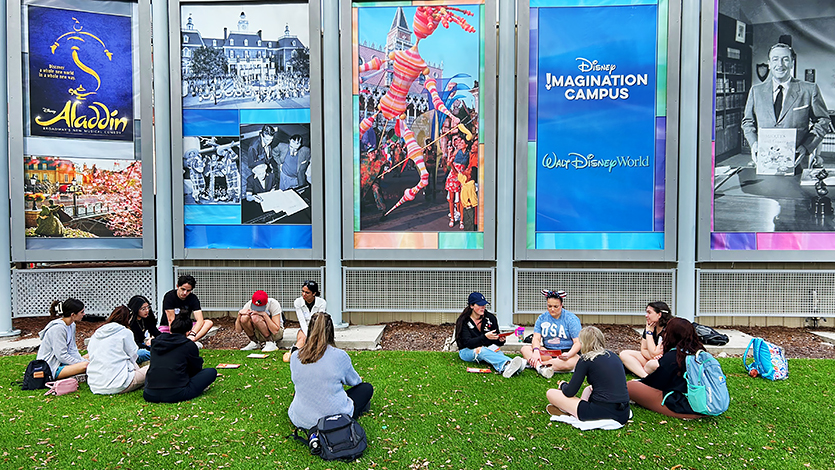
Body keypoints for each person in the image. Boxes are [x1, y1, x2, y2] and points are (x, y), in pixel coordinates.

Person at [741, 43, 830, 170]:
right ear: (769, 63)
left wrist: (806, 147)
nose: (780, 64)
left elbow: (823, 121)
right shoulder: (756, 91)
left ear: (792, 63)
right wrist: (754, 143)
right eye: (775, 59)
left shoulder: (809, 89)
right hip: (766, 161)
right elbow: (748, 122)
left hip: (798, 161)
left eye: (785, 59)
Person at [288, 312, 373, 430]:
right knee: (366, 388)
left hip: (301, 419)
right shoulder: (339, 356)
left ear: (309, 330)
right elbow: (355, 381)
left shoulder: (295, 356)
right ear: (331, 331)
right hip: (334, 419)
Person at [545, 326, 631, 424]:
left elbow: (570, 392)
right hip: (623, 413)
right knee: (588, 389)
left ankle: (573, 412)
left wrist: (563, 385)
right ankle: (574, 409)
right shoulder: (614, 356)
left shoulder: (586, 360)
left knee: (551, 393)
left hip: (600, 412)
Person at [626, 318, 706, 419]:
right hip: (707, 400)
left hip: (684, 404)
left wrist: (640, 382)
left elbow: (656, 383)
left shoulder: (674, 357)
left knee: (630, 386)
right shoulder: (701, 353)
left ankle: (691, 415)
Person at [143, 308, 218, 403]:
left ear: (171, 328)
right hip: (176, 393)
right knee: (211, 372)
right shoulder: (188, 345)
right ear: (188, 332)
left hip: (149, 394)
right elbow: (196, 368)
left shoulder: (156, 342)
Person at [454, 292, 526, 378]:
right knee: (482, 350)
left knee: (497, 352)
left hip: (488, 348)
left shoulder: (490, 318)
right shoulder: (464, 321)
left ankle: (506, 367)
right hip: (467, 351)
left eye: (484, 305)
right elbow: (468, 343)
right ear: (472, 306)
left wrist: (500, 340)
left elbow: (495, 341)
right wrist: (484, 337)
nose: (483, 307)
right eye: (480, 305)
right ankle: (510, 363)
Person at [87, 306, 149, 395]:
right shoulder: (125, 332)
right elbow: (133, 355)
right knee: (151, 368)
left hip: (95, 385)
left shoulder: (97, 334)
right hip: (119, 384)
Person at [521, 290, 582, 377]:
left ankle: (535, 365)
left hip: (567, 353)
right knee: (525, 349)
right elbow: (536, 338)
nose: (552, 309)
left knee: (570, 363)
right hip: (548, 352)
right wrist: (536, 351)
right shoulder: (542, 318)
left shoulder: (571, 319)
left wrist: (568, 355)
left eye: (555, 306)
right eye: (549, 306)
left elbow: (577, 342)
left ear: (561, 305)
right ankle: (543, 367)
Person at [37, 298, 89, 380]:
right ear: (73, 315)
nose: (84, 314)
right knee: (86, 365)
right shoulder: (58, 329)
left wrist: (82, 360)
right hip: (52, 367)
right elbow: (61, 356)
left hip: (63, 363)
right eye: (81, 312)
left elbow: (72, 349)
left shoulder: (72, 325)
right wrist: (82, 362)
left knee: (91, 356)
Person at [619, 302, 673, 378]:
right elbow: (643, 349)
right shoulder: (650, 327)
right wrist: (652, 355)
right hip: (652, 359)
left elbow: (655, 353)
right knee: (624, 354)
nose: (646, 315)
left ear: (659, 314)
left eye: (649, 312)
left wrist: (649, 333)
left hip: (663, 362)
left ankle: (639, 370)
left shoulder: (668, 329)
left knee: (654, 364)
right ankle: (645, 377)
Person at [161, 275, 213, 346]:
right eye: (183, 289)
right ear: (177, 286)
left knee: (208, 323)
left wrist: (192, 333)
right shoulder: (169, 297)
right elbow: (171, 320)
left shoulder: (193, 298)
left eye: (188, 291)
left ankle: (190, 340)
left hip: (186, 328)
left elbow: (200, 320)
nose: (185, 293)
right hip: (168, 328)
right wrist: (175, 337)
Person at [284, 280, 327, 362]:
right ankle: (293, 353)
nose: (304, 294)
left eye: (307, 293)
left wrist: (313, 334)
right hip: (304, 328)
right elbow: (302, 321)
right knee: (302, 339)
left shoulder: (322, 303)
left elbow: (320, 321)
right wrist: (308, 334)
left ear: (314, 293)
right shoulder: (298, 302)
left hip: (317, 327)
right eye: (303, 291)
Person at [128, 295, 160, 363]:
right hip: (134, 349)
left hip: (144, 345)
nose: (147, 311)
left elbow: (156, 333)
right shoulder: (130, 322)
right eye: (143, 309)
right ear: (136, 309)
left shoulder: (146, 319)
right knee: (143, 353)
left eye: (148, 307)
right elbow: (135, 343)